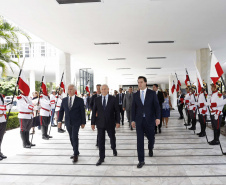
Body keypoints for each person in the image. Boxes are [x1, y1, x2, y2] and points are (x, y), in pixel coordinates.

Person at [132, 76, 160, 168]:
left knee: (151, 137)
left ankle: (150, 148)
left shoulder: (152, 93)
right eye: (138, 82)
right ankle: (141, 160)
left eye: (141, 82)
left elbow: (157, 106)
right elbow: (133, 108)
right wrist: (132, 120)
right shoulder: (135, 95)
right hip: (139, 121)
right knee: (139, 141)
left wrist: (158, 118)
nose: (139, 84)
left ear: (145, 83)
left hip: (150, 120)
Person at [91, 84, 120, 166]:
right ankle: (101, 158)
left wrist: (118, 122)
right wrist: (92, 123)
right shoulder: (97, 99)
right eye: (102, 89)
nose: (103, 90)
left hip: (110, 123)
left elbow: (117, 111)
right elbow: (94, 112)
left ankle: (113, 148)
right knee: (101, 141)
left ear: (108, 90)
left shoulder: (113, 99)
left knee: (112, 137)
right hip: (100, 123)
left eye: (104, 89)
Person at [58, 84, 86, 163]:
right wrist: (59, 121)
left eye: (71, 89)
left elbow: (82, 112)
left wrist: (83, 122)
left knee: (74, 136)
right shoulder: (64, 100)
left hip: (76, 122)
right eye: (68, 89)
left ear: (74, 90)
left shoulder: (79, 100)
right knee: (71, 137)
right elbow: (61, 111)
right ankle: (75, 150)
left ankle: (75, 154)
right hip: (68, 122)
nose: (69, 91)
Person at [0, 93, 7, 160]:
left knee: (0, 137)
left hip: (2, 119)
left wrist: (7, 107)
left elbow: (2, 106)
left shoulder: (1, 96)